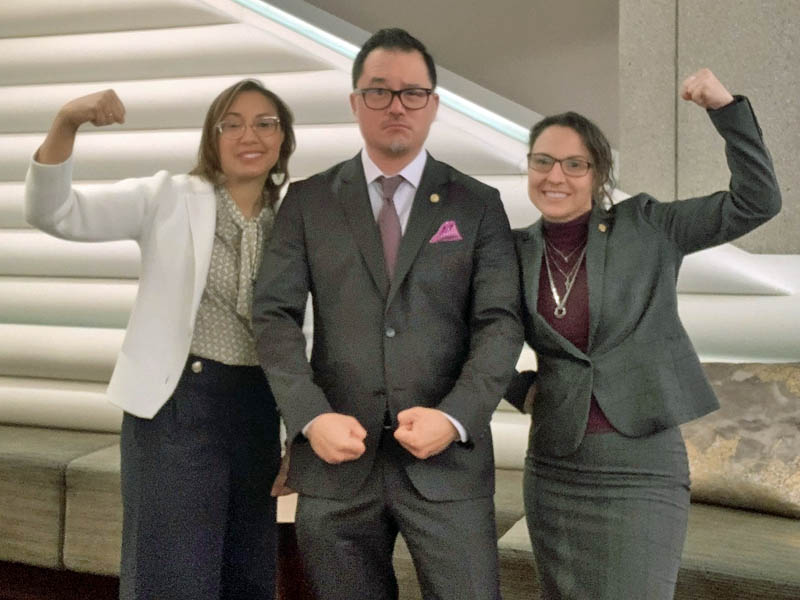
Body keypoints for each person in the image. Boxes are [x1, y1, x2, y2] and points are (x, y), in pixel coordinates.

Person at [253, 28, 523, 600]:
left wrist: (455, 418)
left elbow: (500, 325)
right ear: (355, 102)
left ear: (433, 105)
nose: (396, 106)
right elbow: (274, 317)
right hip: (336, 460)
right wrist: (310, 417)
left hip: (448, 466)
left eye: (412, 93)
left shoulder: (477, 204)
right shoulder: (308, 201)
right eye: (378, 91)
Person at [504, 68, 781, 599]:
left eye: (574, 164)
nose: (555, 175)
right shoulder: (511, 250)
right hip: (555, 467)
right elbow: (470, 335)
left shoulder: (649, 226)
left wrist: (724, 108)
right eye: (543, 161)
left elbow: (757, 201)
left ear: (598, 173)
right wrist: (521, 390)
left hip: (643, 467)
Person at [24, 79, 296, 600]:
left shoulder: (294, 219)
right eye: (232, 124)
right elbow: (53, 212)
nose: (250, 135)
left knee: (247, 577)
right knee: (171, 577)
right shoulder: (168, 196)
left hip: (260, 411)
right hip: (176, 408)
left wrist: (300, 434)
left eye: (266, 123)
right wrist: (67, 121)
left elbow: (306, 330)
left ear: (283, 137)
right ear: (212, 137)